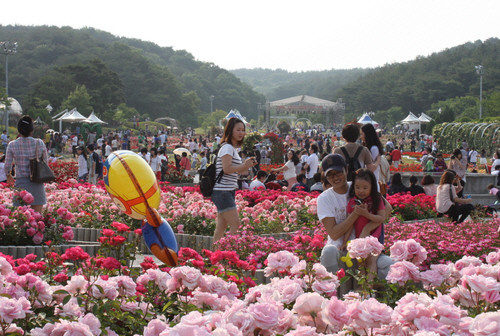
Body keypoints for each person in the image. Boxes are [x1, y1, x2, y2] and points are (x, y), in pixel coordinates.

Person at [317, 154, 393, 280]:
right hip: (340, 248)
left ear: (346, 170)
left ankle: (371, 295)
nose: (335, 178)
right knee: (328, 252)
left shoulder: (359, 186)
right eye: (330, 175)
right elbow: (334, 234)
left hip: (364, 247)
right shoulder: (324, 199)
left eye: (338, 173)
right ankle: (332, 294)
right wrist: (355, 214)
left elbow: (387, 209)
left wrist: (367, 228)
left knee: (389, 265)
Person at [212, 118, 257, 243]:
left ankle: (215, 254)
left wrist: (246, 166)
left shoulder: (232, 148)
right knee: (236, 225)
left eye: (243, 130)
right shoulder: (227, 148)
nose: (241, 133)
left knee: (221, 226)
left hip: (226, 191)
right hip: (223, 191)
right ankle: (228, 252)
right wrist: (244, 165)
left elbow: (234, 170)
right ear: (230, 130)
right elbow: (226, 169)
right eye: (238, 130)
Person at [342, 168, 385, 281]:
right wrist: (345, 241)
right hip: (360, 238)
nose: (361, 191)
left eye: (365, 188)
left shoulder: (376, 200)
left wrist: (366, 214)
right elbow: (349, 224)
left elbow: (381, 218)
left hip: (374, 237)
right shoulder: (353, 202)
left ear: (372, 187)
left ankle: (369, 286)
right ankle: (363, 287)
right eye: (357, 187)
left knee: (371, 261)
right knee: (360, 263)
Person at [4, 116, 49, 213]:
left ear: (19, 129)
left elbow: (7, 165)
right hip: (37, 183)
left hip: (21, 183)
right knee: (37, 218)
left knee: (21, 218)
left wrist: (8, 175)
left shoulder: (12, 145)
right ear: (31, 130)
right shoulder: (39, 143)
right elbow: (46, 163)